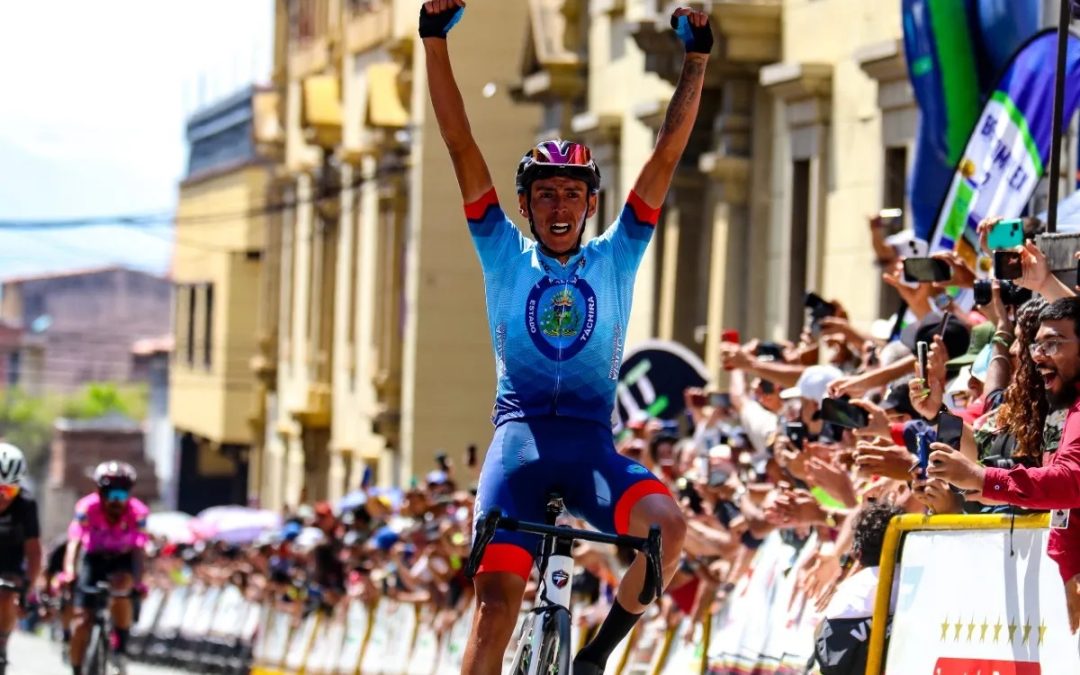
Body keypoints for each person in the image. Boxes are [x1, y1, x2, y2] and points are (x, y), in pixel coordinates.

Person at [419, 1, 711, 671]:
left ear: (591, 204)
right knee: (494, 612)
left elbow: (666, 153)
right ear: (524, 205)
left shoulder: (618, 254)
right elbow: (461, 141)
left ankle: (595, 655)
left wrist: (695, 60)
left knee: (668, 527)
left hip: (589, 449)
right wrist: (435, 41)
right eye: (544, 194)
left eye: (571, 193)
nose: (558, 206)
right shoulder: (500, 249)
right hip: (517, 446)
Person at [928, 297, 1080, 632]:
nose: (1037, 356)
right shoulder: (1063, 405)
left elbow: (1070, 482)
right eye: (1036, 345)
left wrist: (984, 480)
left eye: (1053, 344)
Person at [63, 461, 149, 675]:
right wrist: (69, 572)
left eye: (121, 496)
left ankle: (120, 646)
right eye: (110, 495)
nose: (115, 502)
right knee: (82, 621)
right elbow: (74, 542)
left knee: (123, 589)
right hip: (94, 559)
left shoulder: (138, 512)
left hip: (123, 559)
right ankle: (76, 668)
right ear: (99, 492)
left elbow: (139, 550)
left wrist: (138, 583)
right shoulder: (86, 507)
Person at [0, 442, 41, 673]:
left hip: (9, 561)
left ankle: (2, 642)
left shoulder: (26, 505)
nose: (4, 497)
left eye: (10, 490)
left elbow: (34, 551)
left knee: (6, 594)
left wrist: (27, 590)